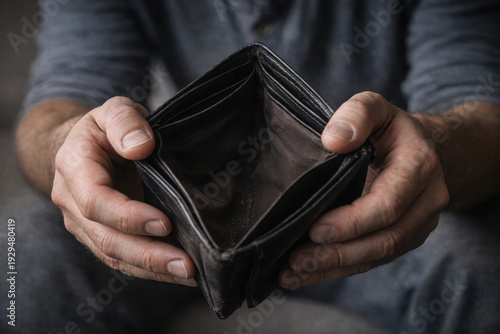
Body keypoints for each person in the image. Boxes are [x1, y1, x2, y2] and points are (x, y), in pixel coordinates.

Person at [9, 0, 500, 333]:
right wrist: (66, 145)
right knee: (19, 257)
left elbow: (474, 100)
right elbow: (65, 92)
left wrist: (432, 145)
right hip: (173, 217)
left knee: (478, 269)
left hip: (371, 206)